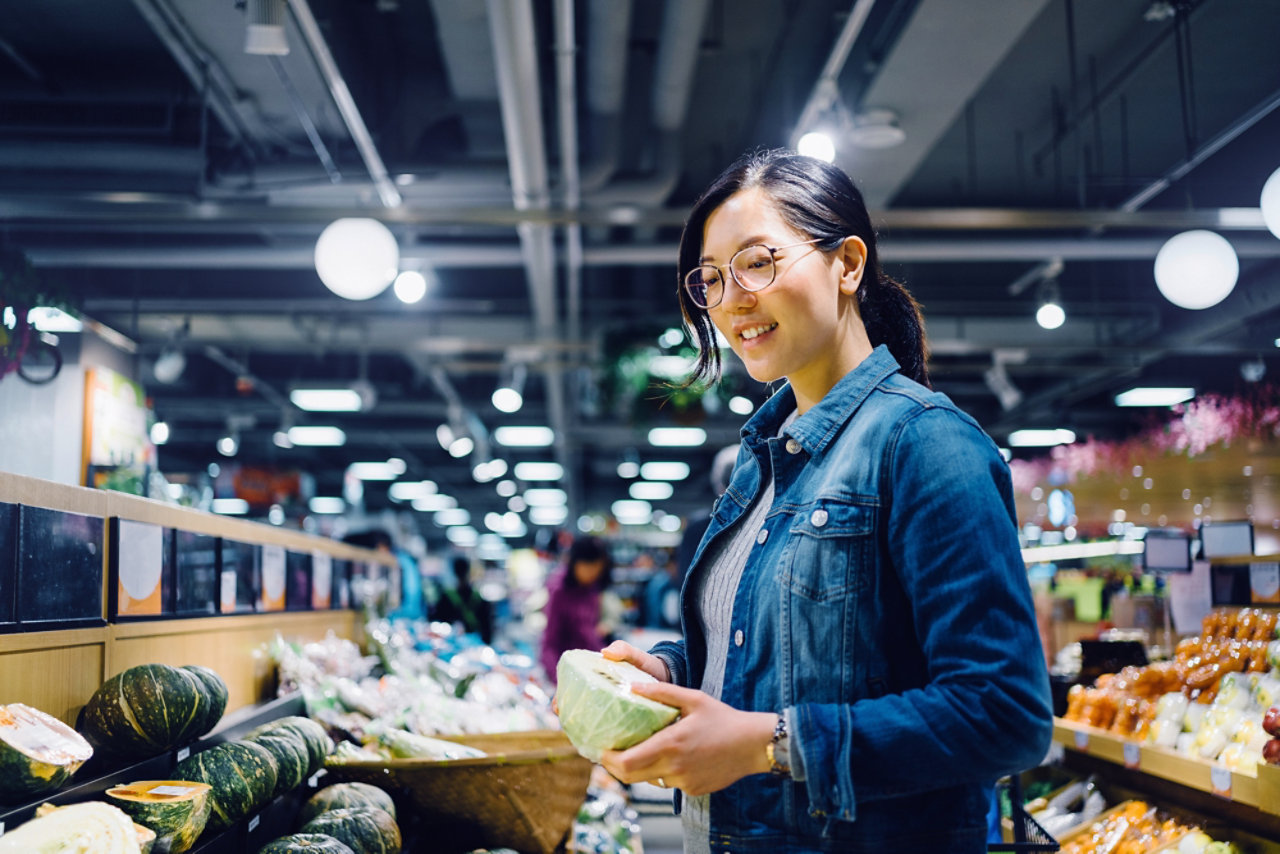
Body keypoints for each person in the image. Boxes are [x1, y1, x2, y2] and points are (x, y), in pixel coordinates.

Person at [588, 149, 1053, 852]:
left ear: (849, 264)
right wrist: (669, 674)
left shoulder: (925, 445)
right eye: (711, 278)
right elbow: (779, 650)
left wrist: (767, 745)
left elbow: (1005, 711)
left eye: (758, 261)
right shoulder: (763, 461)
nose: (732, 299)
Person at [539, 535, 614, 681]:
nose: (593, 573)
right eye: (588, 567)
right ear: (575, 563)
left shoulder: (593, 588)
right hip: (565, 671)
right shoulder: (559, 591)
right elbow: (549, 643)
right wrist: (558, 679)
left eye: (597, 568)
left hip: (590, 669)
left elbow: (589, 632)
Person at [433, 555, 494, 643]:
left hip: (452, 644)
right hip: (476, 645)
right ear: (468, 571)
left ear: (454, 572)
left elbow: (439, 622)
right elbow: (487, 627)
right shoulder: (479, 597)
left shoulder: (446, 597)